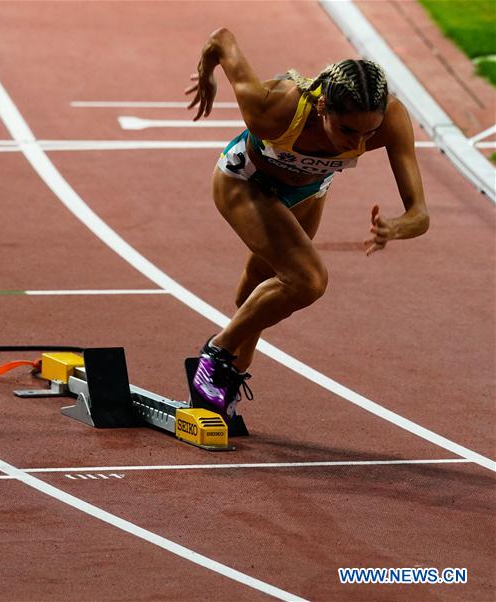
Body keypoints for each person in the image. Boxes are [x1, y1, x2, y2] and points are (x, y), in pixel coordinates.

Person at [184, 28, 429, 422]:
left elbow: (420, 213)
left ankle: (225, 383)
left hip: (308, 195)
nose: (358, 142)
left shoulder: (391, 120)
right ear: (322, 109)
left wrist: (397, 227)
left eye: (369, 131)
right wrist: (207, 72)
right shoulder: (275, 108)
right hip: (246, 183)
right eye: (347, 130)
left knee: (257, 293)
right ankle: (216, 355)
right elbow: (223, 39)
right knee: (307, 280)